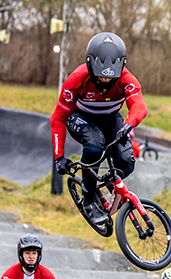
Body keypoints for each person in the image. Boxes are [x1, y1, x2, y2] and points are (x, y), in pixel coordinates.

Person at [50, 32, 148, 225]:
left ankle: (108, 183)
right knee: (95, 146)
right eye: (100, 75)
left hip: (111, 119)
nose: (104, 81)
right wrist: (59, 157)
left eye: (110, 78)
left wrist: (128, 125)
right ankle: (88, 198)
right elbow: (57, 118)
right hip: (81, 117)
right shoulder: (76, 79)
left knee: (126, 162)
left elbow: (140, 106)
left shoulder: (128, 79)